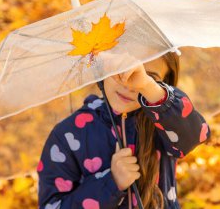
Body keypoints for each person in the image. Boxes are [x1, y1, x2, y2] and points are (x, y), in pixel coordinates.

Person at [37, 51, 211, 209]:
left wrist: (148, 87)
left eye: (147, 76)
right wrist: (112, 183)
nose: (130, 84)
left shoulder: (164, 123)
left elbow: (196, 135)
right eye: (121, 69)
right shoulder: (68, 135)